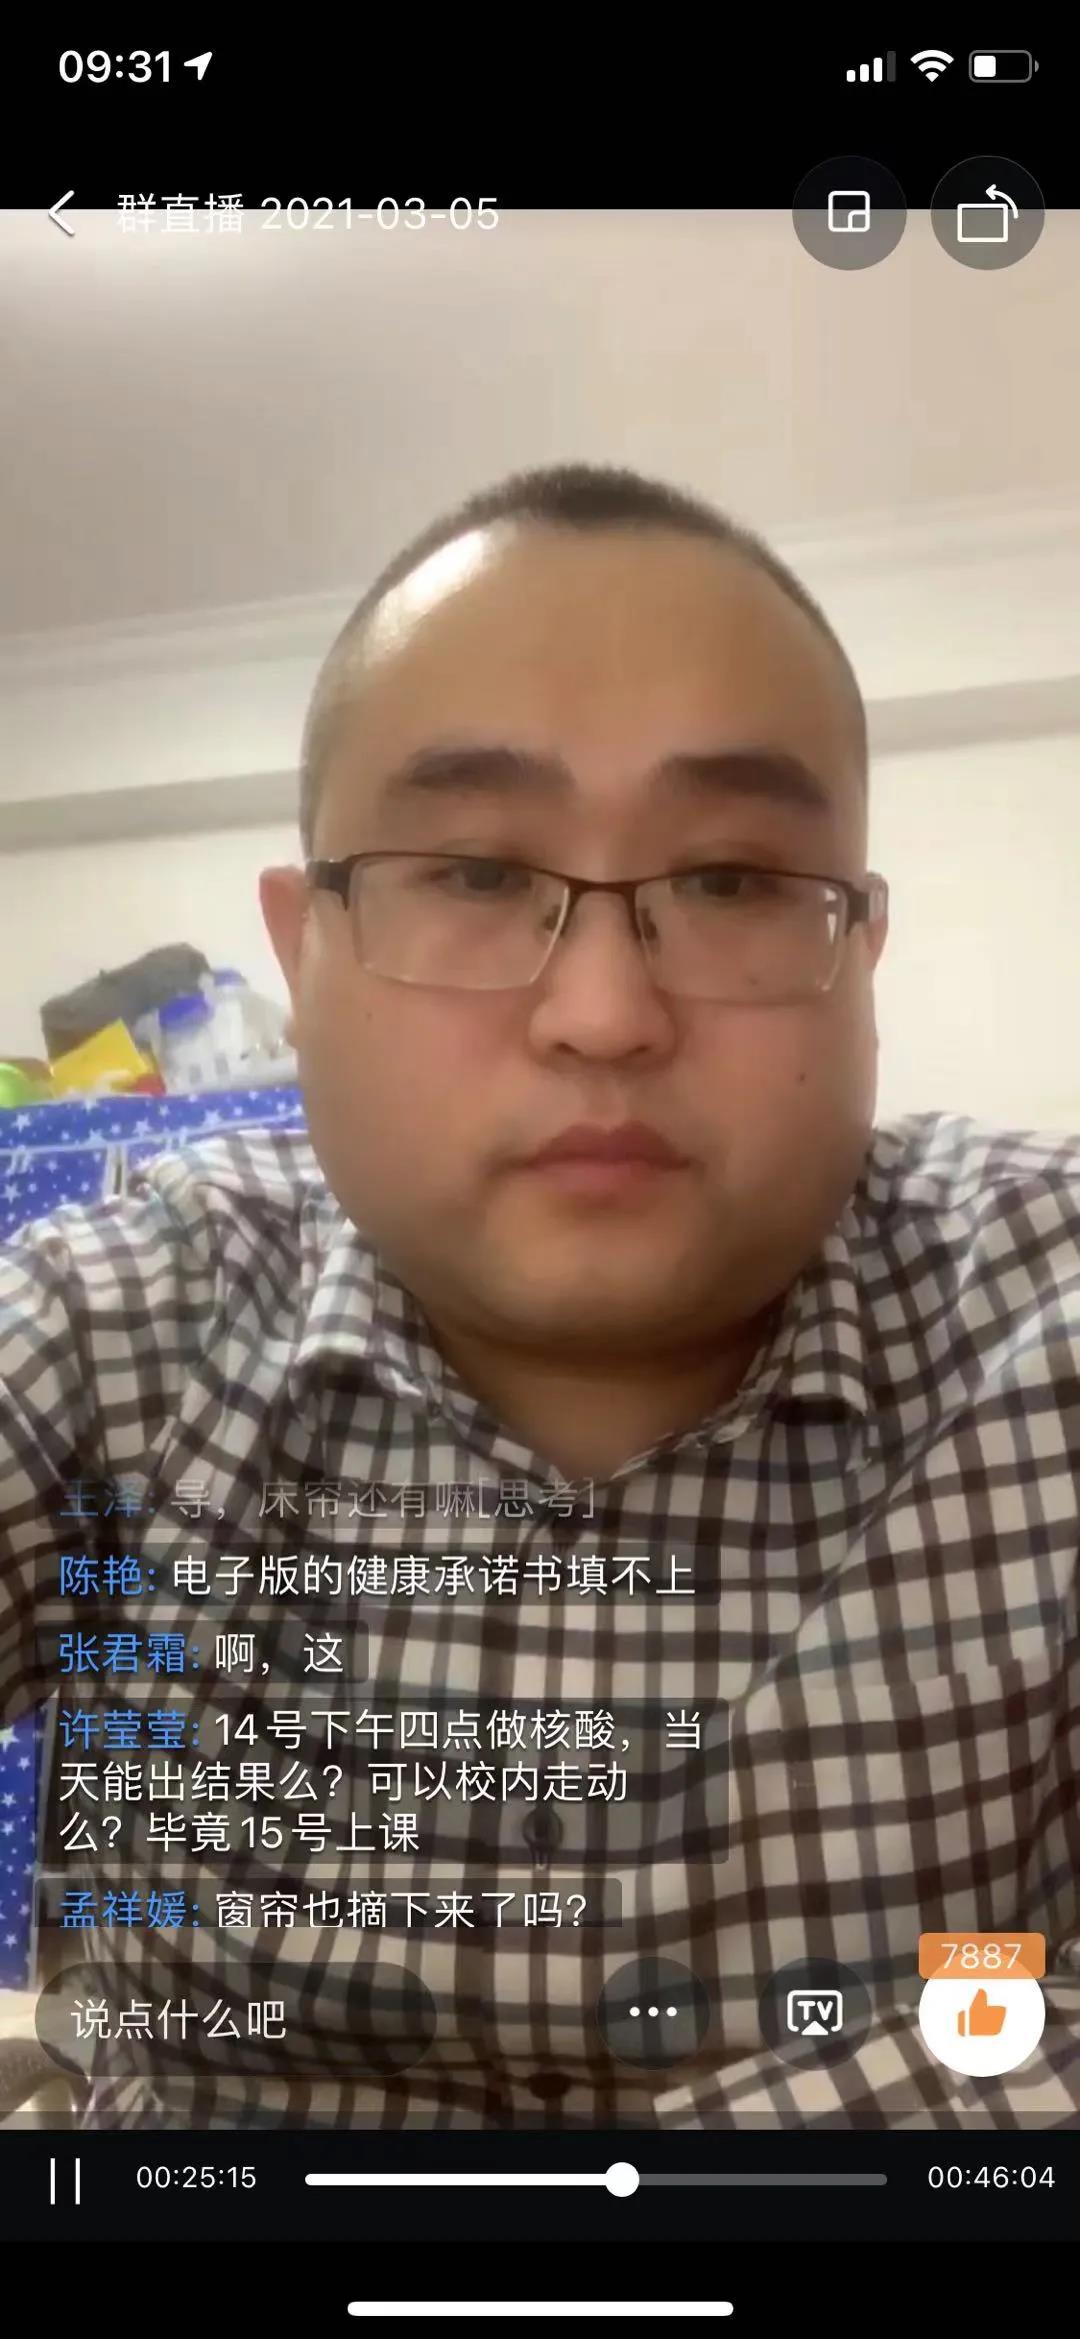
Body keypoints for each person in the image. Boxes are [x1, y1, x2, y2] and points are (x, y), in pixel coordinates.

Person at [2, 462, 1077, 2131]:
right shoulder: (123, 1320)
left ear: (859, 952)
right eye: (476, 872)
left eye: (730, 879)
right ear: (303, 954)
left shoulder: (1048, 1318)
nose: (602, 1012)